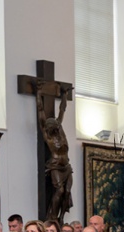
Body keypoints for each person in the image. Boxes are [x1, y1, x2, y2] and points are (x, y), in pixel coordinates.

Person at [36, 83, 74, 222]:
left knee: (67, 192)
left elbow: (62, 110)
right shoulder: (47, 135)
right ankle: (52, 216)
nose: (56, 127)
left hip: (66, 166)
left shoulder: (60, 131)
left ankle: (61, 217)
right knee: (60, 191)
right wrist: (38, 93)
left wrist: (64, 95)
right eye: (54, 126)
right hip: (55, 166)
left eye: (57, 126)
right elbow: (40, 109)